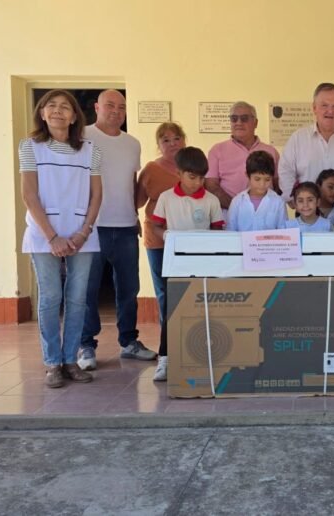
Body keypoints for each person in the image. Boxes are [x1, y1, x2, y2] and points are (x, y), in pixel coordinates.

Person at [19, 89, 102, 388]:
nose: (57, 111)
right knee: (51, 298)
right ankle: (52, 362)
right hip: (44, 235)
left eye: (64, 107)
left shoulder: (90, 149)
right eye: (50, 106)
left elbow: (96, 194)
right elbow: (29, 194)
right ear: (42, 113)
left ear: (74, 115)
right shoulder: (30, 147)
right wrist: (52, 236)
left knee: (78, 299)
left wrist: (84, 231)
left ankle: (71, 359)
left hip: (82, 234)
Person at [78, 89, 153, 371]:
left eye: (121, 107)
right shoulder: (82, 137)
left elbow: (131, 182)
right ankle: (86, 345)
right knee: (88, 289)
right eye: (109, 105)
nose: (116, 111)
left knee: (128, 289)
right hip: (91, 227)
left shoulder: (132, 143)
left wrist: (134, 214)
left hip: (124, 227)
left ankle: (129, 341)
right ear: (97, 107)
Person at [148, 147, 225, 381]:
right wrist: (166, 236)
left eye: (202, 177)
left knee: (205, 310)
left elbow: (217, 230)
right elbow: (156, 225)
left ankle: (206, 356)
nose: (197, 182)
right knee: (173, 310)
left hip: (204, 265)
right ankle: (165, 359)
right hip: (175, 264)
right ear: (179, 173)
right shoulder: (166, 198)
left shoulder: (211, 200)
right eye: (192, 177)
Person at [135, 122, 186, 378]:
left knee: (186, 292)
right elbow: (137, 200)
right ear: (159, 144)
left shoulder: (192, 165)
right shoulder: (152, 170)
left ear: (184, 141)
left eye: (176, 138)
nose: (172, 143)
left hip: (185, 241)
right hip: (158, 240)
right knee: (165, 294)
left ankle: (185, 344)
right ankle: (167, 350)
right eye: (165, 140)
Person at [205, 101, 280, 219]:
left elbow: (277, 185)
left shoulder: (271, 151)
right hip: (228, 215)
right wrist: (238, 207)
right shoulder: (217, 150)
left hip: (265, 215)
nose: (238, 123)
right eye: (234, 118)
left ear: (255, 123)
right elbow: (211, 186)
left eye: (244, 118)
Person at [227, 151, 287, 231]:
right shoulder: (237, 201)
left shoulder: (278, 202)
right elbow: (230, 230)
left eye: (267, 179)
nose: (262, 184)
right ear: (247, 176)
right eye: (257, 179)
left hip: (269, 244)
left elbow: (283, 231)